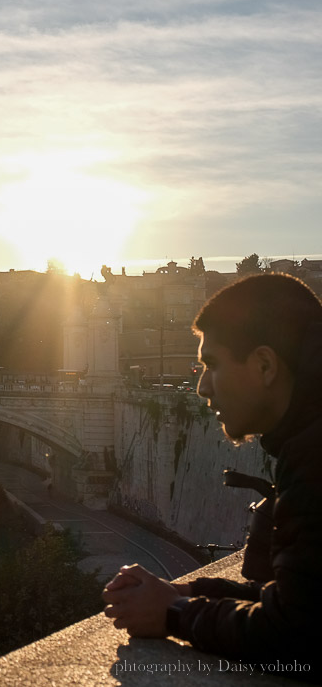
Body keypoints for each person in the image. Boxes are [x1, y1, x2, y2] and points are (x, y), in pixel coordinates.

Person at [102, 272, 322, 678]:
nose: (201, 387)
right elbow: (300, 599)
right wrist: (185, 592)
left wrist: (172, 614)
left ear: (264, 365)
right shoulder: (306, 441)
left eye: (212, 365)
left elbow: (297, 634)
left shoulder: (314, 459)